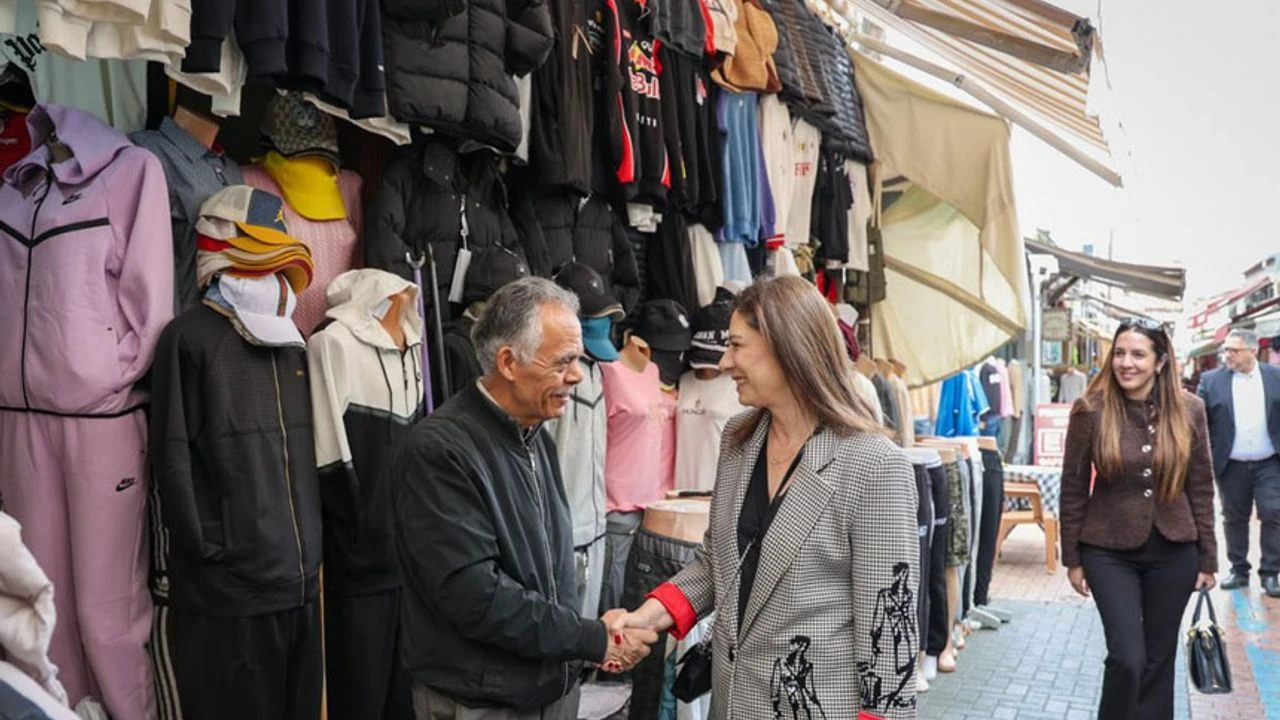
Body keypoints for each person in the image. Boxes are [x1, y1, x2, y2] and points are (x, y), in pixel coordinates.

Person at [608, 275, 921, 720]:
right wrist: (647, 616)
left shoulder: (874, 466)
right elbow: (716, 564)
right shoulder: (740, 439)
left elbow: (888, 629)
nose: (725, 362)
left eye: (737, 345)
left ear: (787, 347)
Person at [389, 277, 658, 720]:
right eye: (563, 361)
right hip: (483, 701)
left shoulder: (534, 436)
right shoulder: (440, 452)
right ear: (509, 362)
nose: (577, 375)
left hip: (548, 688)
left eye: (577, 360)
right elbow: (476, 597)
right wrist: (592, 638)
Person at [1059, 319, 1217, 720]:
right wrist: (1072, 558)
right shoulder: (1090, 410)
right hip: (1108, 550)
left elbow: (1201, 486)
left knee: (1159, 660)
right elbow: (1073, 488)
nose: (1126, 363)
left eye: (1138, 354)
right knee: (1127, 657)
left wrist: (1208, 559)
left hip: (1175, 550)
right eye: (1119, 353)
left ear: (1160, 361)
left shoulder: (1190, 409)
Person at [1196, 328, 1280, 596]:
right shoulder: (1211, 381)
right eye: (1226, 350)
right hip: (1231, 464)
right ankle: (1239, 570)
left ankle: (1271, 573)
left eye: (1234, 350)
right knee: (1234, 517)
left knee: (1273, 512)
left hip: (1270, 462)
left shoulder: (1275, 377)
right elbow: (1198, 422)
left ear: (1253, 351)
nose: (1227, 355)